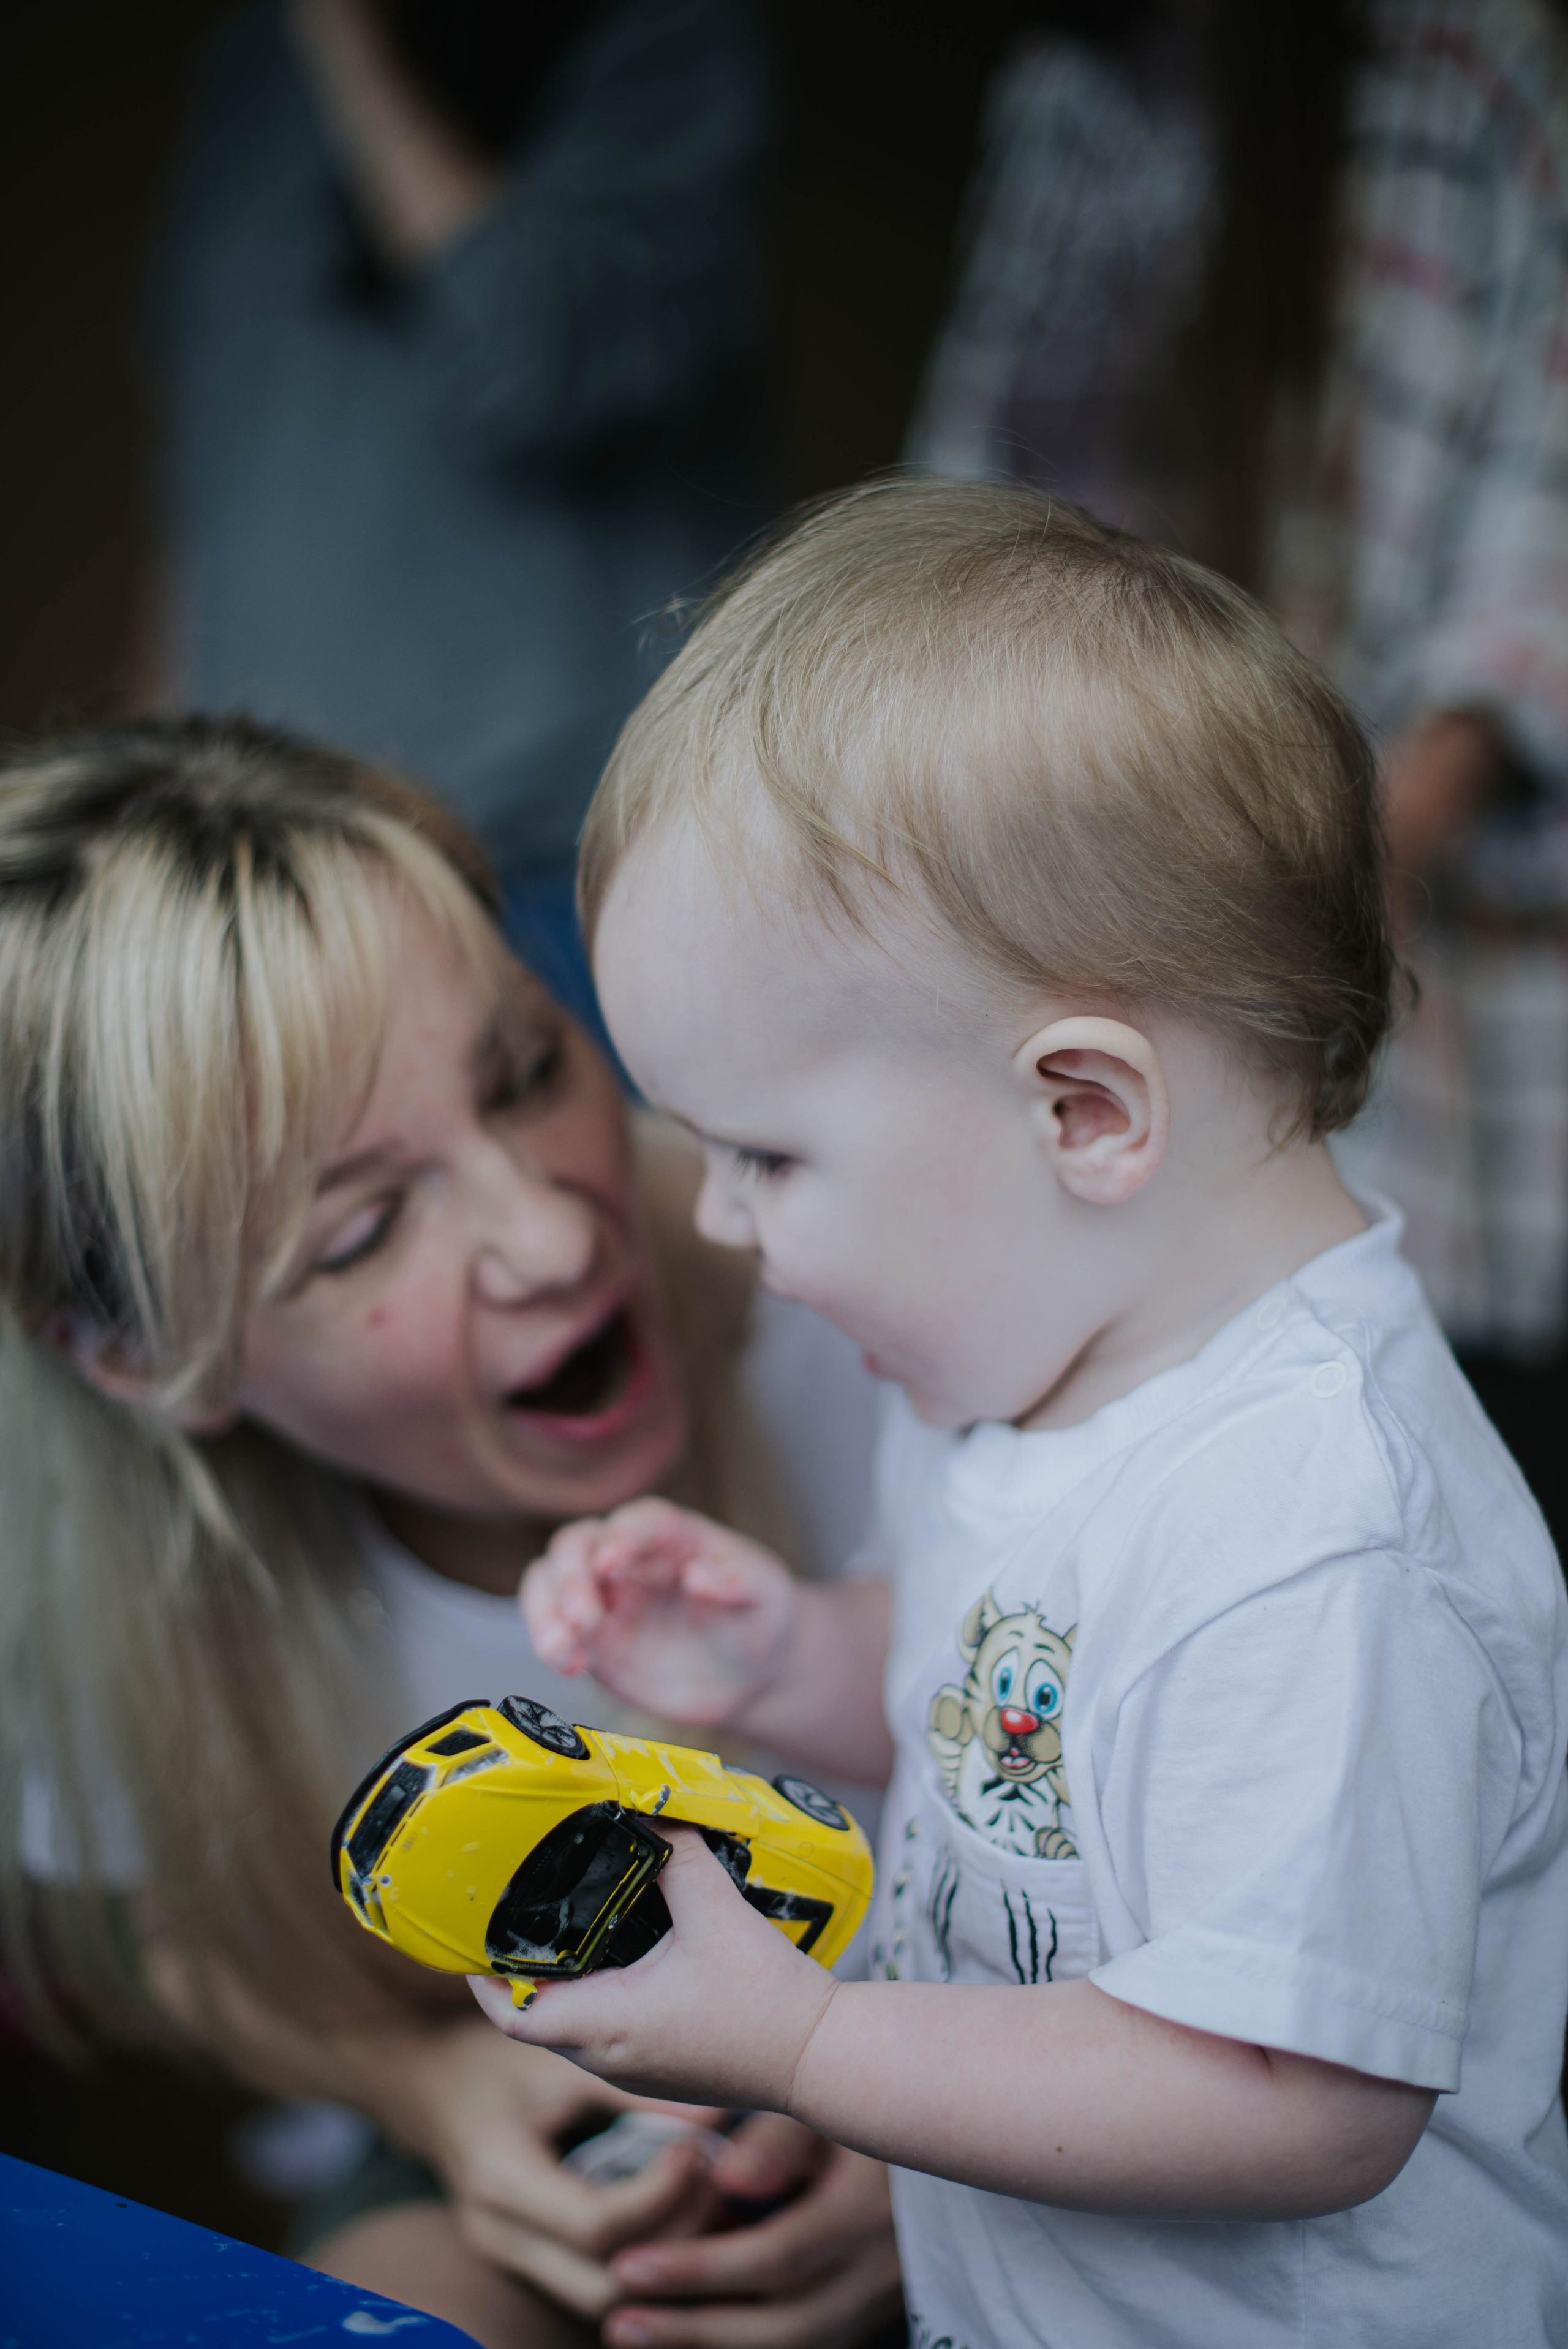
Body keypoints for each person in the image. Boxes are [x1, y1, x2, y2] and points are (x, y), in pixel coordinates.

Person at [486, 480, 1568, 2347]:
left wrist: (810, 2040)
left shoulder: (1319, 1540)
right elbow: (1017, 1735)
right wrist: (794, 1657)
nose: (720, 1226)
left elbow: (1297, 2102)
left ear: (1083, 1110)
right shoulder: (1034, 1373)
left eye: (764, 1153)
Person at [0, 716, 900, 2349]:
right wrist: (434, 2087)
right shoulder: (147, 1604)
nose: (557, 1228)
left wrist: (944, 2147)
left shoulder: (869, 1320)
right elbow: (194, 1944)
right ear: (143, 1359)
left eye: (529, 1072)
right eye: (362, 1228)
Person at [907, 0, 1568, 1538]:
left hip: (1375, 939)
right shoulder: (1068, 87)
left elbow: (1536, 512)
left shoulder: (1460, 56)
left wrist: (1331, 864)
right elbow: (956, 493)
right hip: (1102, 914)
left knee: (1404, 1453)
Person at [153, 0, 773, 1028]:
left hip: (570, 850)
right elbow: (207, 466)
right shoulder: (246, 68)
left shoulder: (659, 38)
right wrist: (152, 787)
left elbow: (534, 363)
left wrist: (351, 48)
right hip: (281, 883)